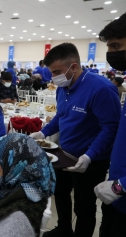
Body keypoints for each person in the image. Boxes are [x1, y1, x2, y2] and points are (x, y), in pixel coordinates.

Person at [29, 43, 121, 237]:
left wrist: (89, 156)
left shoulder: (101, 88)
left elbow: (110, 128)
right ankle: (63, 229)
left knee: (84, 206)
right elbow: (61, 117)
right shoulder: (63, 87)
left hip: (91, 160)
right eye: (51, 73)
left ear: (73, 66)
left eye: (57, 72)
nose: (53, 78)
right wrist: (43, 133)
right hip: (64, 153)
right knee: (60, 195)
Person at [94, 13, 126, 237]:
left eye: (116, 46)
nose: (112, 54)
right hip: (117, 196)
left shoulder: (103, 88)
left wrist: (120, 185)